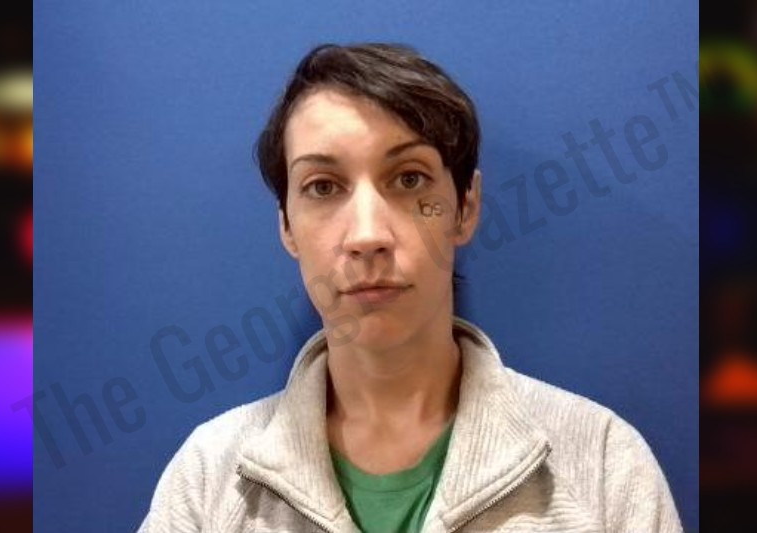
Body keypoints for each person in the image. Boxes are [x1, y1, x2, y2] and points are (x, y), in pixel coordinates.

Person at [137, 43, 683, 533]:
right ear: (286, 227)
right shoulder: (210, 479)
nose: (367, 235)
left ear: (465, 208)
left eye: (409, 179)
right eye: (322, 187)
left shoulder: (603, 465)